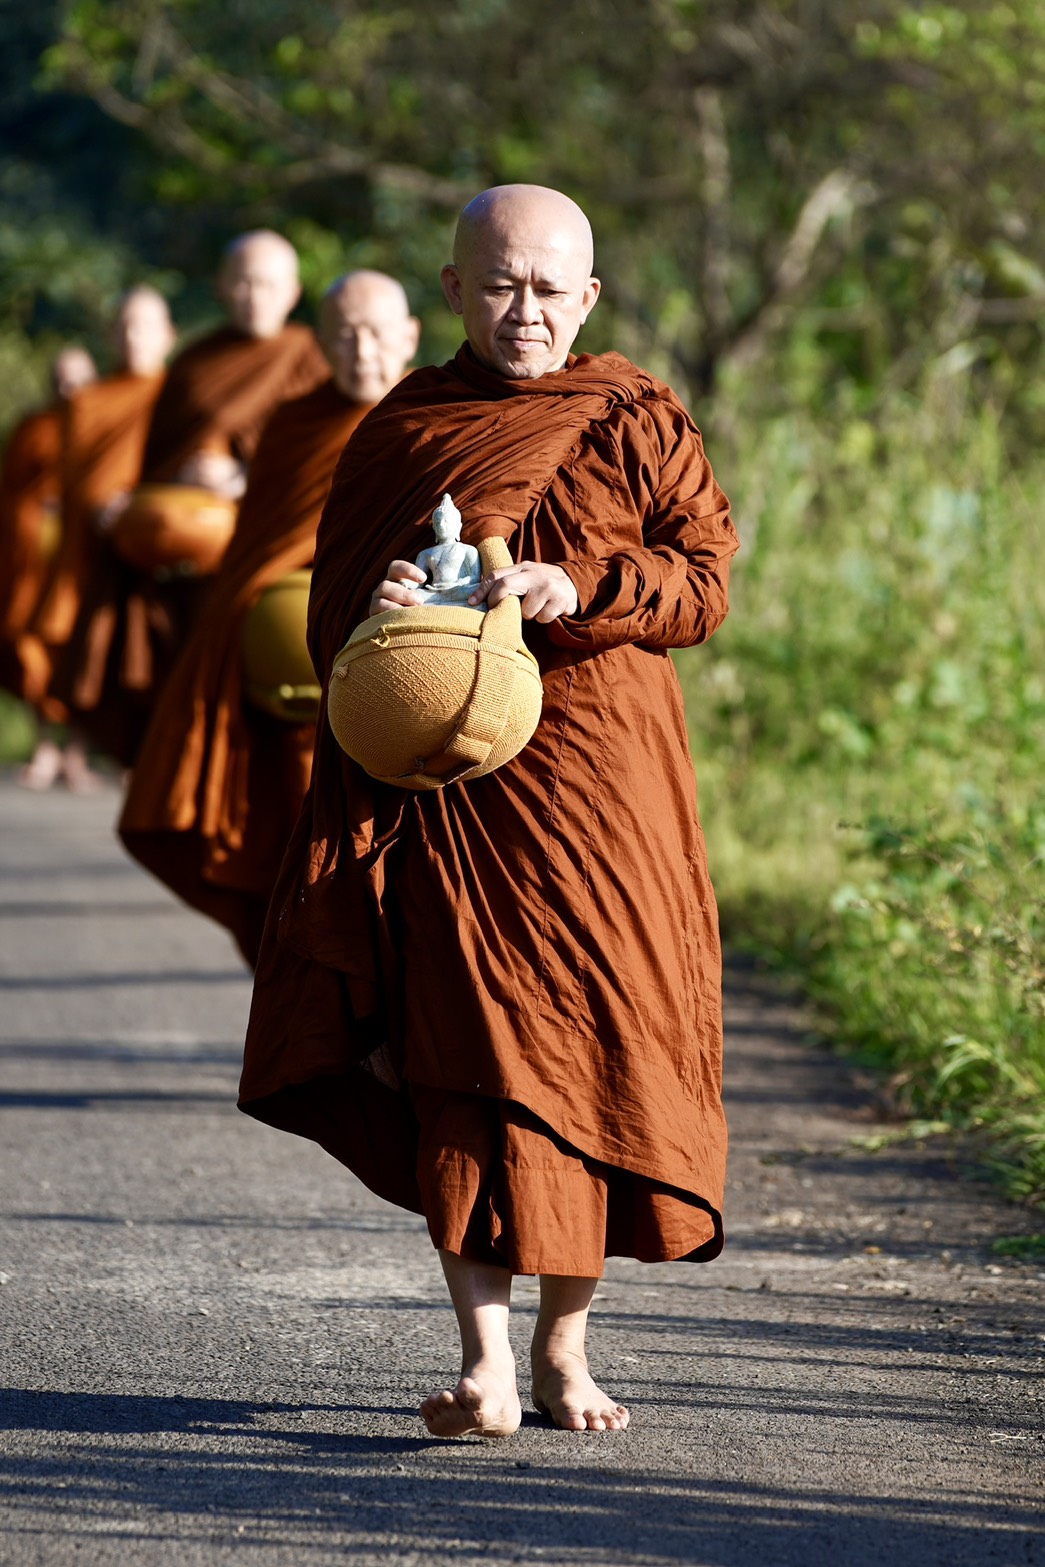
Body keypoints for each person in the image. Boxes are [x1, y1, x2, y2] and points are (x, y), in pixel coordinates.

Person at [238, 185, 739, 1438]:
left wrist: (584, 580)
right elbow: (334, 619)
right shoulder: (406, 429)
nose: (528, 312)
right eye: (502, 285)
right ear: (454, 291)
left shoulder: (634, 417)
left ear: (590, 296)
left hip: (604, 787)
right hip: (456, 799)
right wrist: (389, 598)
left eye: (551, 289)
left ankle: (565, 1350)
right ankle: (485, 1363)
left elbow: (705, 579)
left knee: (601, 1056)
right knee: (465, 1057)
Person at [118, 270, 421, 967]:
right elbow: (257, 549)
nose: (360, 349)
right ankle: (312, 1009)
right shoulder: (293, 424)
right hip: (292, 686)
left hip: (399, 676)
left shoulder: (429, 417)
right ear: (318, 342)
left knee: (391, 871)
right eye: (342, 334)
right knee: (296, 851)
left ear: (408, 336)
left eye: (376, 332)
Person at [55, 231, 328, 768]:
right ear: (222, 287)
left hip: (266, 558)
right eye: (244, 283)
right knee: (189, 718)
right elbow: (152, 458)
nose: (255, 296)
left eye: (269, 285)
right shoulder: (194, 363)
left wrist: (243, 478)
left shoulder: (310, 360)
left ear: (293, 292)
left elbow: (321, 466)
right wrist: (164, 487)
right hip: (186, 567)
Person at [20, 290, 175, 790]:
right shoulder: (87, 401)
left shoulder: (180, 397)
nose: (134, 337)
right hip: (84, 544)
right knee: (67, 647)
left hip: (154, 550)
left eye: (146, 326)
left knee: (137, 650)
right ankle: (54, 749)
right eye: (125, 326)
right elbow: (70, 482)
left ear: (169, 335)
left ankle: (129, 753)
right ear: (110, 335)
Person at [0, 347, 97, 779]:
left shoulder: (102, 427)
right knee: (34, 653)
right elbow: (10, 494)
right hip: (37, 566)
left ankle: (75, 752)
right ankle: (43, 747)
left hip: (85, 568)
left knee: (83, 654)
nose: (67, 387)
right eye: (59, 377)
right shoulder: (33, 429)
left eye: (77, 378)